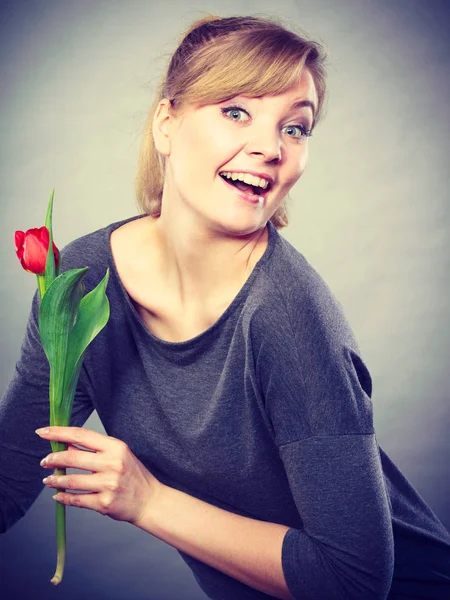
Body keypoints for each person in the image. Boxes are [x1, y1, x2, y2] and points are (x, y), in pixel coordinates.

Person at [1, 13, 450, 600]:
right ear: (166, 122)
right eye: (237, 111)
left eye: (296, 128)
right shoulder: (82, 281)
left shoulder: (289, 315)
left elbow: (354, 583)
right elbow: (8, 479)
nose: (269, 147)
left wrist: (149, 500)